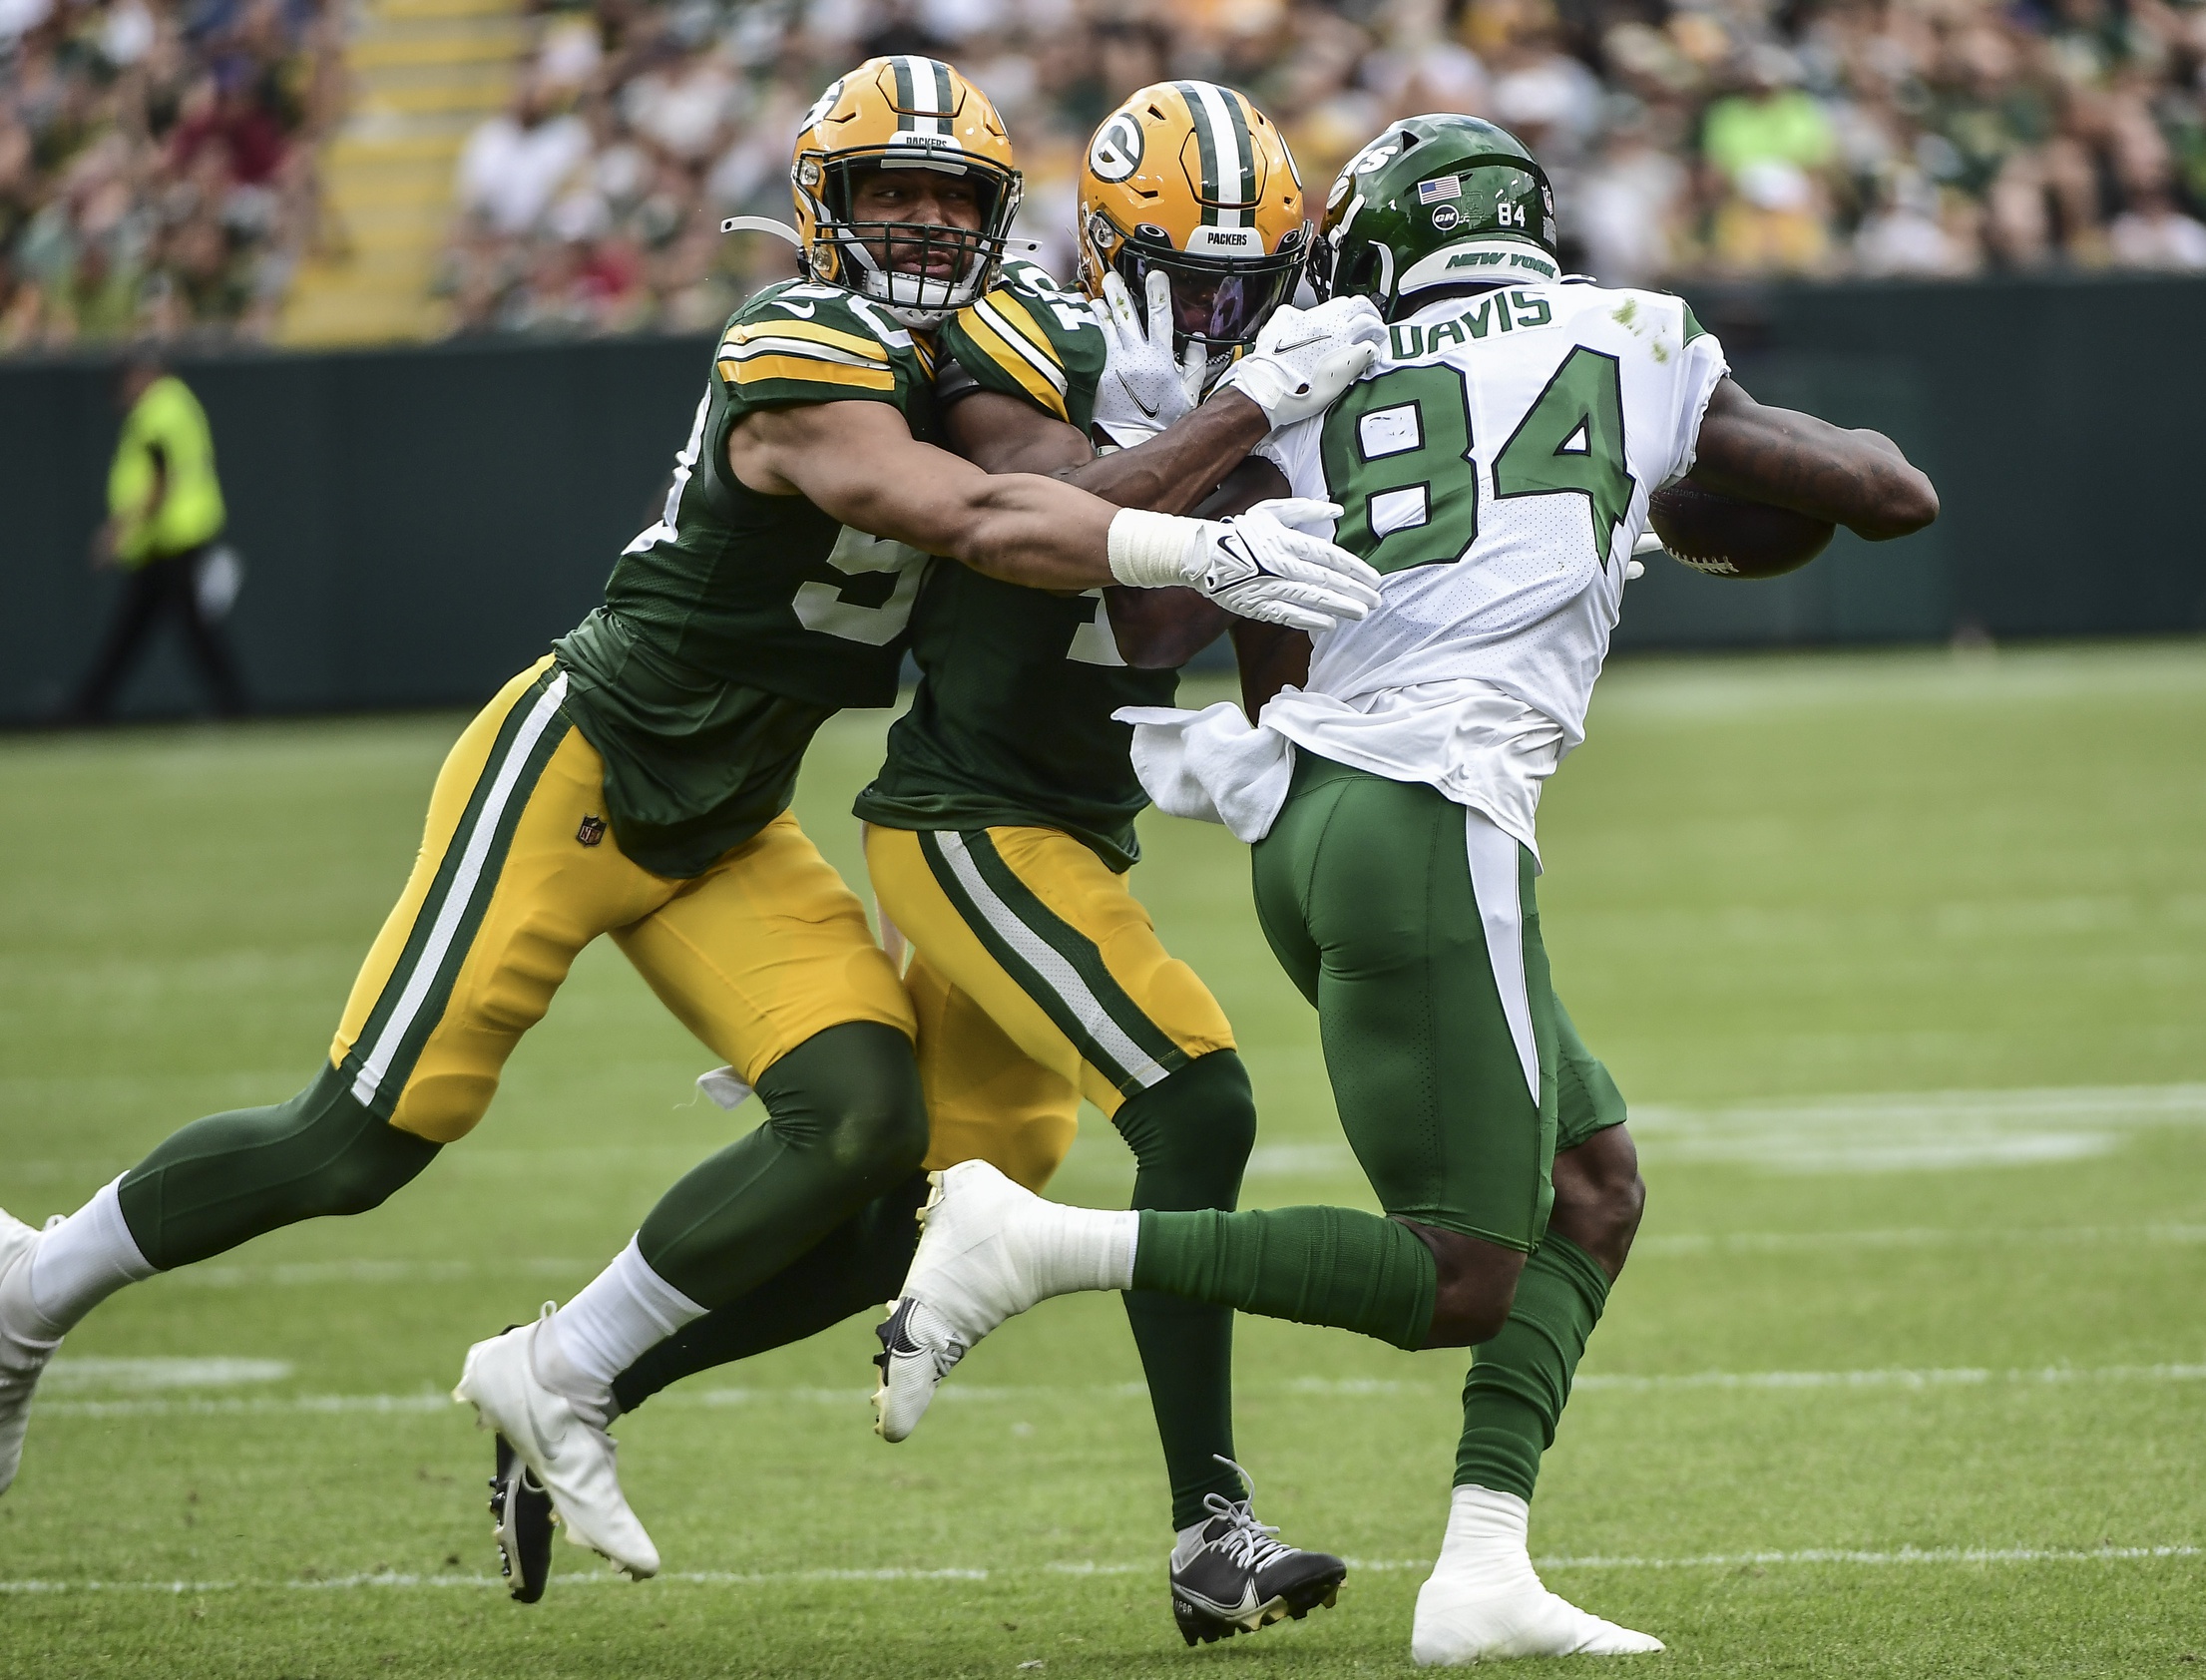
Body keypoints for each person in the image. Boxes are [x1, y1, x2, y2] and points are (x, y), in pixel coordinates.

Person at [0, 57, 1387, 1561]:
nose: (921, 226)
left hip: (733, 811)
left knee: (865, 1125)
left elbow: (1052, 480)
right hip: (589, 756)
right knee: (362, 1140)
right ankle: (31, 1297)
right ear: (820, 203)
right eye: (888, 192)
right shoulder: (800, 333)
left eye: (951, 198)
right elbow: (981, 519)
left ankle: (568, 1377)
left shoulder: (987, 352)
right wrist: (1205, 524)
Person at [869, 113, 1940, 1664]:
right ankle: (1034, 1244)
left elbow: (1171, 632)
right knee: (1460, 1273)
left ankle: (1481, 1568)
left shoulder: (1326, 373)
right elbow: (1877, 494)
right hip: (1432, 820)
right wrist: (1642, 502)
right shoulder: (1623, 330)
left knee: (1590, 1191)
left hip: (1314, 829)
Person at [501, 81, 1361, 1645]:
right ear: (1102, 250)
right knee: (1199, 1103)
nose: (1225, 313)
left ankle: (570, 1375)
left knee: (923, 1212)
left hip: (1071, 822)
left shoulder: (1235, 359)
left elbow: (1258, 621)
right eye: (1190, 278)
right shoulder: (1026, 342)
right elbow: (1076, 546)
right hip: (967, 818)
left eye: (1253, 285)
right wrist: (1245, 434)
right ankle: (1207, 1531)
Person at [65, 353, 248, 722]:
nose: (125, 390)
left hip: (172, 536)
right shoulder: (180, 402)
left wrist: (117, 531)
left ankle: (88, 706)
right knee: (141, 626)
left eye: (129, 380)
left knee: (172, 628)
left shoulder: (157, 410)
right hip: (172, 536)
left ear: (145, 374)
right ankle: (89, 704)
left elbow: (158, 481)